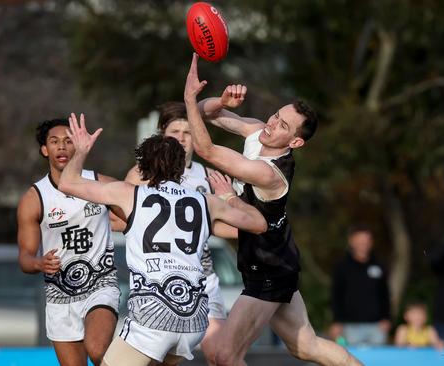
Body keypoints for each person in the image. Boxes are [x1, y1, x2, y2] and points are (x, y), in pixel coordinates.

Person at [183, 53, 362, 366]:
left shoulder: (269, 174)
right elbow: (203, 114)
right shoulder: (257, 132)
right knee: (306, 348)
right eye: (275, 115)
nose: (271, 124)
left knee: (225, 356)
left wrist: (188, 97)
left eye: (283, 126)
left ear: (295, 143)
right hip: (277, 262)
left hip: (268, 271)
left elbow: (205, 148)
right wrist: (221, 101)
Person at [58, 114, 267, 366]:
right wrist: (229, 196)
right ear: (181, 168)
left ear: (143, 167)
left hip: (153, 317)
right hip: (194, 320)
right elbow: (259, 224)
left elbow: (67, 183)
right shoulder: (207, 202)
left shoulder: (129, 194)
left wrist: (81, 151)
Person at [125, 101, 233, 365]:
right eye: (175, 133)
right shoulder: (141, 175)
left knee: (221, 355)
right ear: (163, 134)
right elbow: (120, 220)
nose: (183, 139)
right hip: (158, 281)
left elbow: (230, 226)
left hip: (202, 279)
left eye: (189, 133)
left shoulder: (209, 177)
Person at [17, 118, 123, 366]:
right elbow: (24, 257)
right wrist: (39, 263)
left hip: (100, 284)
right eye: (54, 142)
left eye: (68, 140)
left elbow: (136, 212)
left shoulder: (99, 182)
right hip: (60, 296)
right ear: (45, 150)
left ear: (78, 145)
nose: (62, 147)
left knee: (97, 351)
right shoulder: (34, 198)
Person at [329, 226, 391, 345]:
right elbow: (336, 295)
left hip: (377, 326)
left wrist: (386, 318)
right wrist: (337, 321)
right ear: (351, 241)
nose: (363, 243)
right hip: (350, 326)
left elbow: (385, 294)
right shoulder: (342, 267)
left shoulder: (379, 265)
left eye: (366, 240)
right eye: (360, 240)